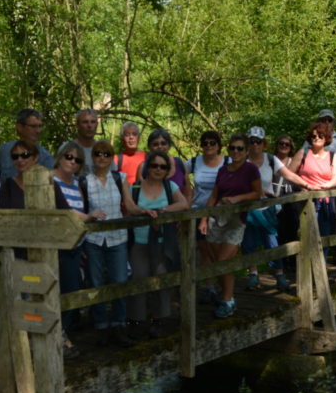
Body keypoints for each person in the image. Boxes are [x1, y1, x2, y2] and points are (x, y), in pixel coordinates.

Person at [82, 140, 145, 347]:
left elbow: (130, 205)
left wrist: (144, 211)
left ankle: (119, 325)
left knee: (119, 280)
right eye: (98, 153)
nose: (102, 157)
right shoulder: (84, 181)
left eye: (106, 154)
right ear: (93, 157)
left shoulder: (119, 178)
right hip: (93, 240)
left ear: (111, 158)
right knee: (96, 282)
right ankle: (100, 326)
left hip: (117, 238)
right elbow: (82, 211)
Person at [199, 134, 263, 318]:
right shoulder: (223, 170)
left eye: (240, 148)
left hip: (236, 220)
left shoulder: (250, 169)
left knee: (223, 261)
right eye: (233, 148)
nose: (236, 152)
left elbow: (257, 193)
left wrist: (237, 199)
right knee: (216, 263)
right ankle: (227, 297)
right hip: (217, 219)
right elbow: (214, 195)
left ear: (246, 151)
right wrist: (204, 218)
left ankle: (228, 301)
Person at [243, 127, 310, 292]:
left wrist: (308, 185)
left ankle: (279, 276)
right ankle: (253, 275)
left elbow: (289, 175)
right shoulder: (242, 161)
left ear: (264, 143)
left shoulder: (271, 159)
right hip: (248, 209)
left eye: (258, 141)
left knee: (272, 243)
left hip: (267, 209)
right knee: (249, 243)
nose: (255, 145)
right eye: (251, 141)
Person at [129, 150, 189, 336]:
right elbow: (130, 208)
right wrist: (143, 212)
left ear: (167, 170)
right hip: (140, 241)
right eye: (154, 165)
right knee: (139, 278)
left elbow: (184, 204)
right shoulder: (136, 187)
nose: (158, 169)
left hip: (163, 242)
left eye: (162, 167)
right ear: (148, 166)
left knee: (162, 278)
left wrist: (163, 210)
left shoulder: (170, 187)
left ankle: (159, 319)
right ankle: (136, 320)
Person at [52, 141, 99, 357]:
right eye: (68, 157)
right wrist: (89, 217)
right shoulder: (49, 181)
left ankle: (62, 334)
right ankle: (59, 338)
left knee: (72, 291)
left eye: (77, 159)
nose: (72, 162)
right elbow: (64, 210)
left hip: (76, 245)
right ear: (60, 157)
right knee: (60, 291)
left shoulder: (76, 183)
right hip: (57, 245)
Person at [289, 122, 336, 261]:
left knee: (324, 237)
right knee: (307, 237)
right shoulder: (303, 153)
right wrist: (304, 186)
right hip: (304, 201)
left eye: (320, 135)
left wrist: (321, 188)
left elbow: (335, 180)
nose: (316, 138)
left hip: (325, 201)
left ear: (326, 138)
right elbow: (289, 174)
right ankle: (307, 273)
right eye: (313, 136)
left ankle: (321, 272)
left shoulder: (332, 156)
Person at [187, 130, 228, 304]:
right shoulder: (195, 162)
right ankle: (210, 287)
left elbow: (244, 176)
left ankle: (225, 289)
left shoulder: (228, 161)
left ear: (219, 145)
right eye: (205, 143)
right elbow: (174, 172)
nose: (209, 146)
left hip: (220, 213)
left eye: (212, 143)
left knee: (219, 252)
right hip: (198, 211)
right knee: (204, 251)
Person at [0, 109, 55, 180]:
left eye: (40, 126)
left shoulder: (46, 157)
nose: (38, 131)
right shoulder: (5, 150)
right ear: (20, 127)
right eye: (33, 126)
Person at [0, 138, 40, 211]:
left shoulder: (49, 183)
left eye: (25, 155)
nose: (19, 159)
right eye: (15, 156)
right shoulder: (7, 186)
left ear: (35, 158)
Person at [67, 108, 99, 175]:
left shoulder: (104, 149)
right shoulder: (67, 149)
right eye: (85, 122)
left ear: (97, 125)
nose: (89, 126)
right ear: (77, 125)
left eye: (93, 122)